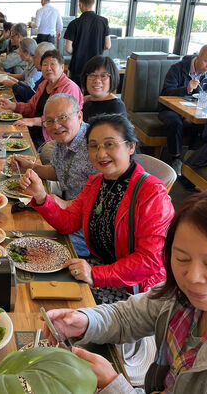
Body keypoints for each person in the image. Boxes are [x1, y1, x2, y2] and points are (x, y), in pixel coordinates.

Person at [44, 189, 207, 393]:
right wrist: (84, 321)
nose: (192, 277)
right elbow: (129, 316)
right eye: (181, 258)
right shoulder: (181, 295)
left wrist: (115, 386)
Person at [20, 114, 174, 293]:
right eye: (93, 146)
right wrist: (41, 196)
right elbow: (68, 223)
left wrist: (95, 274)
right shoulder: (96, 182)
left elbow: (150, 260)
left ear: (131, 147)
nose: (101, 154)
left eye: (110, 144)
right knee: (27, 269)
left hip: (135, 291)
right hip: (99, 269)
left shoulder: (153, 192)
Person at [13, 94, 98, 256]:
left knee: (28, 248)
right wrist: (29, 166)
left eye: (63, 118)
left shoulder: (95, 146)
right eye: (49, 121)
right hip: (66, 215)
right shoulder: (63, 138)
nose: (56, 126)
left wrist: (67, 204)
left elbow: (103, 198)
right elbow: (57, 171)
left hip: (86, 229)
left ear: (79, 116)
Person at [0, 49, 82, 149]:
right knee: (3, 134)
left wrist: (32, 121)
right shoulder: (44, 84)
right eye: (45, 64)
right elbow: (31, 107)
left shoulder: (69, 87)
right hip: (38, 130)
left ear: (62, 67)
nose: (48, 68)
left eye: (52, 64)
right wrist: (12, 105)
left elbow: (59, 119)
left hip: (53, 136)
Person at [159, 44, 207, 175]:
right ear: (198, 57)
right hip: (170, 109)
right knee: (175, 122)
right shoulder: (178, 69)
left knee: (206, 124)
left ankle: (192, 159)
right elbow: (166, 92)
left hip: (193, 111)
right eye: (206, 61)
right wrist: (186, 89)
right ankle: (176, 159)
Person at [64, 0, 111, 87]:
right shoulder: (103, 21)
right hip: (96, 67)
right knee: (92, 93)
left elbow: (68, 48)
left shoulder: (74, 23)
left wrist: (78, 52)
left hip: (77, 67)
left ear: (80, 4)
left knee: (75, 93)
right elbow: (107, 45)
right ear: (93, 2)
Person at [81, 56, 126, 122]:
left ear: (112, 78)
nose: (97, 80)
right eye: (92, 75)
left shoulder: (116, 107)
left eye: (103, 76)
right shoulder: (84, 101)